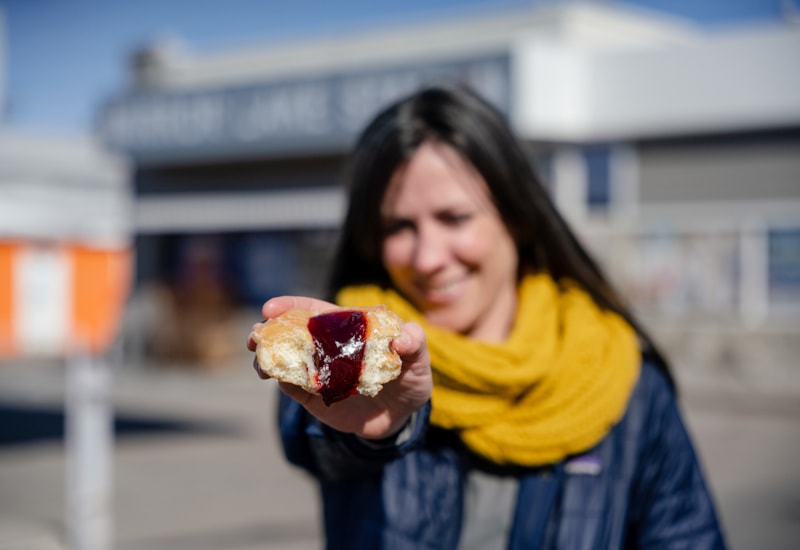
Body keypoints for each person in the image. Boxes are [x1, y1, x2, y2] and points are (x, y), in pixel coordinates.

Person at [247, 85, 727, 549]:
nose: (429, 257)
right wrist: (376, 431)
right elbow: (313, 442)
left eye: (455, 217)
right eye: (399, 226)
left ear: (515, 217)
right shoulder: (351, 355)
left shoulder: (627, 380)